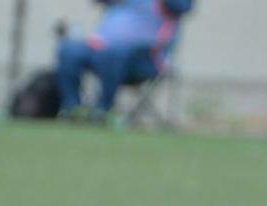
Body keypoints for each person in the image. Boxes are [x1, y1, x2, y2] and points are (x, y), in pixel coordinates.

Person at [56, 0, 192, 120]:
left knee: (112, 52)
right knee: (70, 49)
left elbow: (183, 6)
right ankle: (73, 107)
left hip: (143, 58)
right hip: (103, 48)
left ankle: (102, 109)